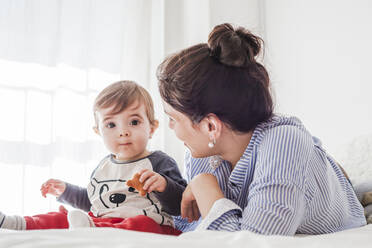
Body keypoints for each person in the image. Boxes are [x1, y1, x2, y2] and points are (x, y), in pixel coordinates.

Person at [156, 23, 367, 235]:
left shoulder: (284, 142)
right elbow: (196, 226)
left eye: (173, 118)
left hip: (331, 195)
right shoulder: (200, 153)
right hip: (286, 166)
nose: (171, 127)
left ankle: (349, 182)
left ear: (211, 126)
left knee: (349, 182)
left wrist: (205, 187)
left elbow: (254, 241)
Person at [0, 80, 186, 235]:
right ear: (98, 132)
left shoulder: (160, 162)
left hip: (149, 228)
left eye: (134, 122)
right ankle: (14, 223)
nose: (123, 132)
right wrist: (65, 191)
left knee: (141, 222)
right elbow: (92, 200)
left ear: (152, 128)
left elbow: (180, 206)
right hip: (103, 223)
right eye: (111, 124)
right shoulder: (103, 166)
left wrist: (163, 185)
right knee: (61, 218)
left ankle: (91, 229)